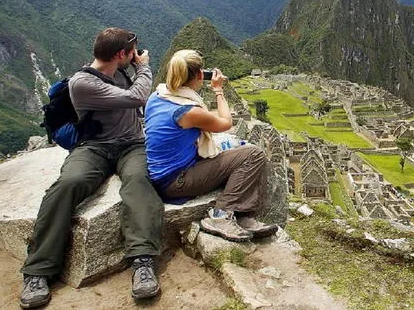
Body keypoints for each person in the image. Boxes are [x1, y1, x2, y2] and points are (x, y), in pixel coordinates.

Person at [19, 28, 164, 308]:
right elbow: (136, 98)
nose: (137, 53)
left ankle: (143, 260)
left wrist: (134, 68)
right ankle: (38, 270)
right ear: (121, 54)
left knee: (139, 181)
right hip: (94, 147)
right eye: (132, 50)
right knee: (68, 184)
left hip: (132, 144)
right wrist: (144, 68)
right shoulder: (82, 83)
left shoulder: (121, 71)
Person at [144, 49, 276, 242]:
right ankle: (220, 215)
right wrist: (218, 90)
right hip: (176, 181)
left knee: (235, 147)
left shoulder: (157, 96)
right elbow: (225, 122)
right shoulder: (187, 111)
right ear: (199, 75)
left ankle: (244, 216)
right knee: (253, 154)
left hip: (163, 174)